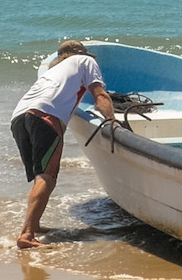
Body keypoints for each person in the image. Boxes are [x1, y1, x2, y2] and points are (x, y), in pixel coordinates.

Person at [10, 41, 115, 250]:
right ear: (82, 53)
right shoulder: (85, 61)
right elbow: (99, 95)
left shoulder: (53, 71)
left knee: (40, 176)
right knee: (47, 178)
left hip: (18, 118)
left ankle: (34, 225)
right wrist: (112, 121)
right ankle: (27, 235)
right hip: (45, 117)